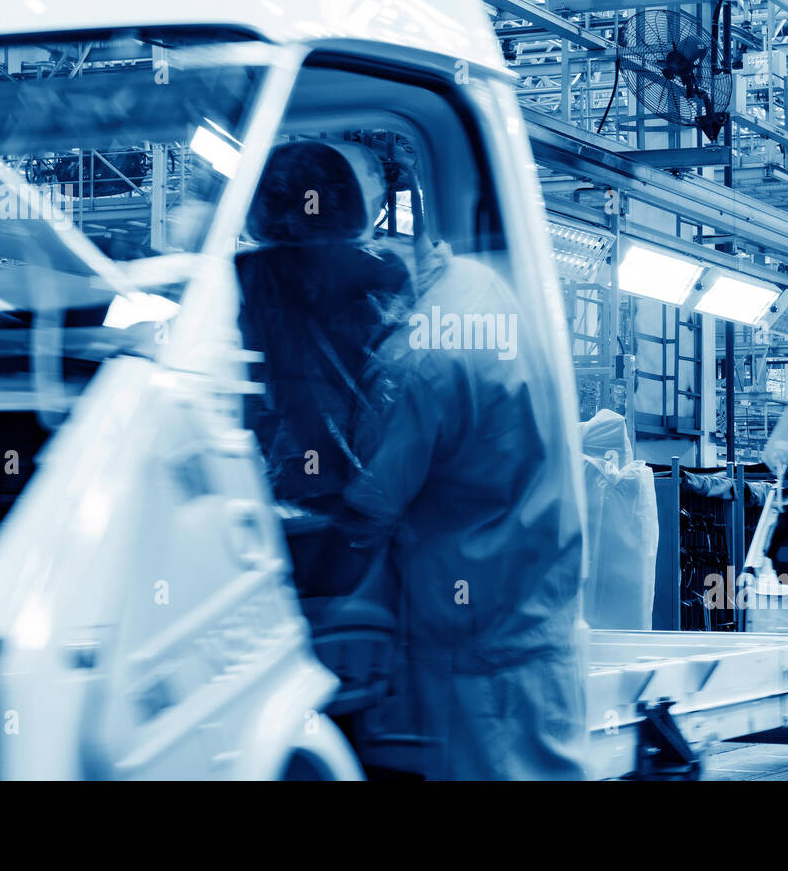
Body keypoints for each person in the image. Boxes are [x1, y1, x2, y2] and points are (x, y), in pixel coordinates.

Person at [340, 238, 587, 780]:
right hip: (536, 618)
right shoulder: (478, 286)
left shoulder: (415, 359)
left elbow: (367, 509)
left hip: (476, 645)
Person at [236, 140, 414, 595]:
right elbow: (403, 387)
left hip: (265, 499)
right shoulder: (385, 272)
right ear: (352, 202)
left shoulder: (240, 275)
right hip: (366, 502)